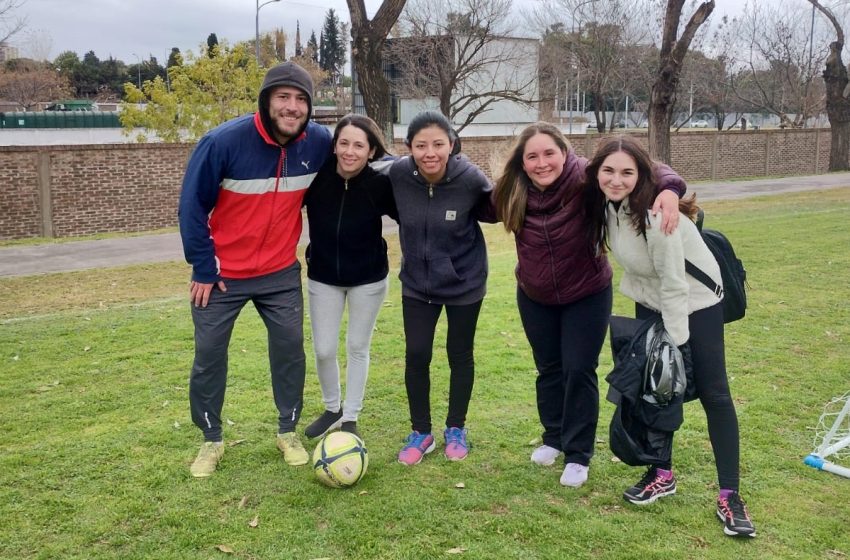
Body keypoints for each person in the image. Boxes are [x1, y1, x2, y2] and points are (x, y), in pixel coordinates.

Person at [489, 122, 685, 488]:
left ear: (565, 153)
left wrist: (671, 191)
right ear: (522, 162)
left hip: (587, 293)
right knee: (548, 369)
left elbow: (648, 168)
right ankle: (553, 438)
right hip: (534, 296)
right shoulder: (510, 188)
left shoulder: (584, 176)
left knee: (579, 370)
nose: (542, 162)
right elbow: (469, 199)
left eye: (550, 153)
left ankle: (578, 455)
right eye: (532, 156)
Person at [584, 135, 756, 537]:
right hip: (650, 296)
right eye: (608, 170)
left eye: (627, 172)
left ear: (642, 175)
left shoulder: (656, 215)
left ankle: (729, 494)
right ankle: (661, 473)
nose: (616, 179)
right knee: (656, 388)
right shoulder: (608, 205)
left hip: (695, 301)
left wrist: (676, 345)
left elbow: (677, 285)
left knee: (713, 391)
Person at [178, 62, 332, 478]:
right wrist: (204, 268)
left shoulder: (318, 142)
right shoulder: (222, 142)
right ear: (266, 101)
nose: (292, 107)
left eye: (301, 99)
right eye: (283, 97)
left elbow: (362, 157)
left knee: (289, 350)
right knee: (209, 356)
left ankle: (288, 432)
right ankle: (211, 439)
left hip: (280, 275)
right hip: (222, 277)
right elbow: (191, 208)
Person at [389, 111, 492, 465]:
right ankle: (421, 432)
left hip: (464, 281)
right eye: (421, 145)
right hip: (417, 283)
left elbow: (501, 206)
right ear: (410, 148)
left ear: (452, 144)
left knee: (459, 354)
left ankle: (456, 428)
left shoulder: (469, 179)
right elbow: (358, 171)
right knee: (417, 354)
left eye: (438, 144)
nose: (429, 152)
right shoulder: (399, 174)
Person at [301, 114, 396, 440]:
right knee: (324, 349)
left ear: (371, 151)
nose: (350, 151)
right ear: (335, 146)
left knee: (358, 346)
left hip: (368, 279)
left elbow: (413, 215)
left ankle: (351, 414)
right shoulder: (317, 178)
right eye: (344, 143)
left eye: (359, 145)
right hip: (323, 276)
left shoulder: (380, 185)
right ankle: (332, 409)